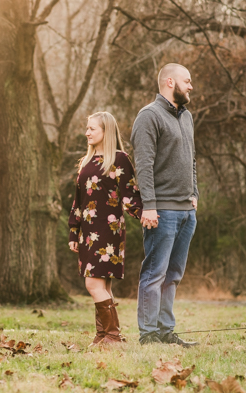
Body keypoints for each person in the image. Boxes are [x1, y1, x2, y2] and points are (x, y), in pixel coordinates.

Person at [130, 63, 199, 347]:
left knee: (173, 275)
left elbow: (192, 160)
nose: (191, 86)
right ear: (170, 82)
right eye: (188, 80)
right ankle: (148, 335)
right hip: (162, 211)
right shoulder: (149, 116)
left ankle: (165, 331)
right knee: (154, 273)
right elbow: (143, 165)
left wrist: (194, 195)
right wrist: (149, 205)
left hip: (186, 211)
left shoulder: (187, 117)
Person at [68, 111, 142, 347]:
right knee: (103, 285)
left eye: (92, 129)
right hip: (88, 233)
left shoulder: (119, 159)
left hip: (109, 230)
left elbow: (130, 196)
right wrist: (74, 231)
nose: (87, 132)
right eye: (87, 128)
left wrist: (146, 216)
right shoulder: (86, 162)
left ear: (105, 131)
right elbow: (78, 201)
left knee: (93, 285)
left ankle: (113, 336)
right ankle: (103, 335)